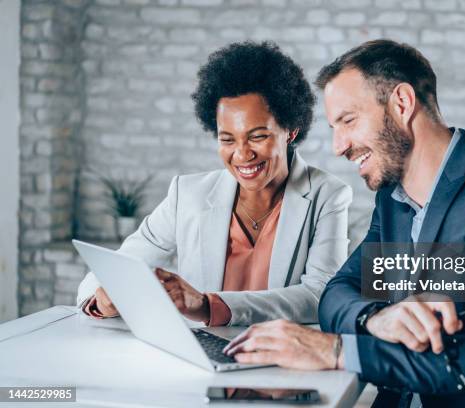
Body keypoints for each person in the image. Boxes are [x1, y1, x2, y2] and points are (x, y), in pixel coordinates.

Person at [223, 40, 465, 407]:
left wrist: (336, 350)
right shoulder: (393, 200)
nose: (338, 146)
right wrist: (373, 319)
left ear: (401, 103)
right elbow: (336, 295)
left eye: (348, 121)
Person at [76, 41, 352, 327]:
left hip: (279, 360)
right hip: (202, 355)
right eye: (227, 139)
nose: (242, 154)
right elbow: (109, 271)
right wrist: (102, 300)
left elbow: (321, 295)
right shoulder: (188, 194)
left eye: (258, 136)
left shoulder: (327, 195)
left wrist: (210, 306)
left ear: (290, 131)